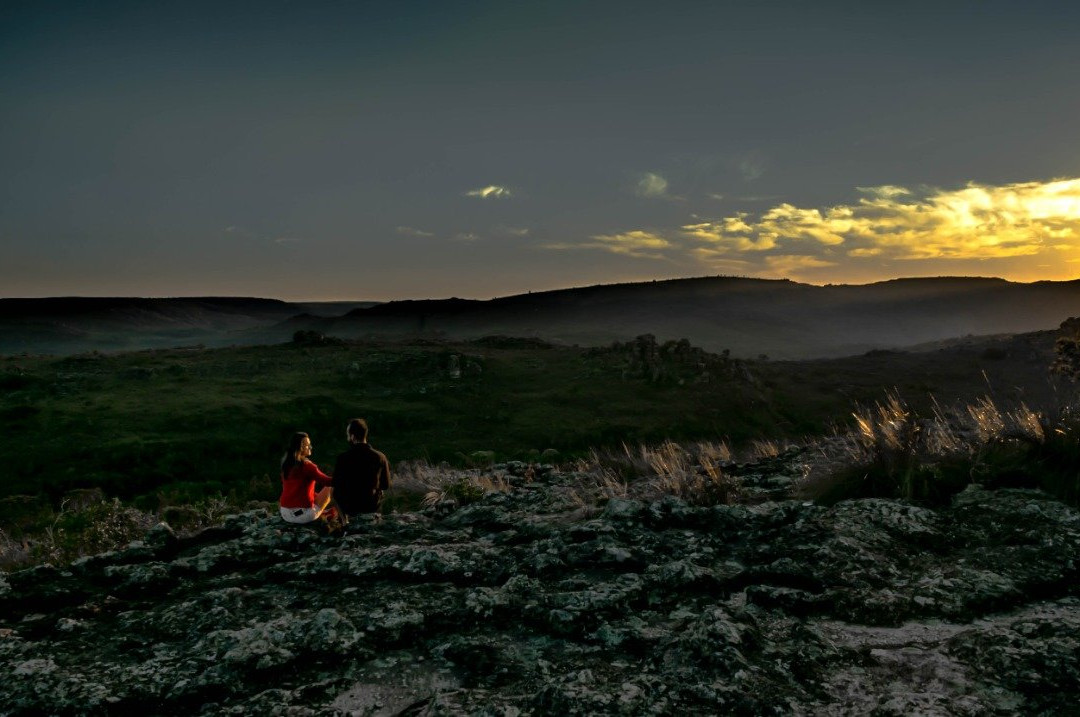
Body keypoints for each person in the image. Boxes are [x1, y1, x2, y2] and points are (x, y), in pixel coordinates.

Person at [333, 418, 391, 517]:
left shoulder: (343, 458)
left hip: (350, 507)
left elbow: (336, 485)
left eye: (348, 435)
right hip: (371, 506)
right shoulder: (380, 457)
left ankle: (344, 520)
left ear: (352, 436)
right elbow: (386, 485)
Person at [279, 432, 334, 524]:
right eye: (307, 445)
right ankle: (344, 517)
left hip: (285, 513)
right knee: (331, 487)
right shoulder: (307, 466)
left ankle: (322, 512)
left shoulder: (286, 465)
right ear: (300, 448)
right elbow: (328, 481)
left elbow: (297, 490)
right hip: (303, 515)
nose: (310, 447)